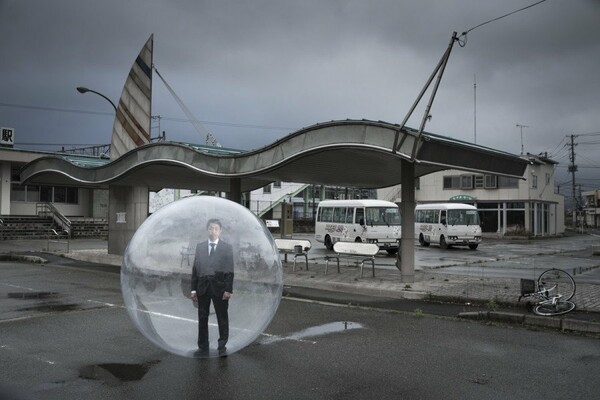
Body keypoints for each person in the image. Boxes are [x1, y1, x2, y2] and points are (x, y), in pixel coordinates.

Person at [191, 218, 234, 355]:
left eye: (216, 228)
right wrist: (193, 289)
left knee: (222, 318)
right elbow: (195, 269)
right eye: (210, 228)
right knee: (202, 317)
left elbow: (230, 270)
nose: (213, 231)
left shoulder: (226, 248)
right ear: (207, 230)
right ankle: (203, 345)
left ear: (220, 231)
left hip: (220, 289)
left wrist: (228, 289)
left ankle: (222, 345)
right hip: (203, 288)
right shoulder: (200, 247)